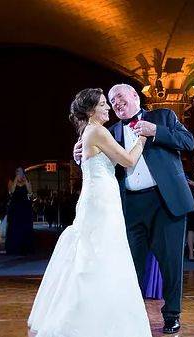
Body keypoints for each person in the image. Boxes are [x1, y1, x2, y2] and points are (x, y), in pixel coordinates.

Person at [28, 88, 152, 337]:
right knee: (102, 251)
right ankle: (94, 319)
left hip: (99, 196)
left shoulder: (90, 132)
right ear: (91, 110)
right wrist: (143, 139)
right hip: (101, 199)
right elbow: (128, 161)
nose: (108, 107)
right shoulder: (97, 130)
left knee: (96, 251)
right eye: (104, 103)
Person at [73, 83, 194, 334]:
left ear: (135, 97)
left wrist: (156, 131)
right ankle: (132, 317)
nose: (115, 103)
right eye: (111, 101)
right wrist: (81, 155)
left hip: (166, 203)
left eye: (118, 97)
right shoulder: (110, 131)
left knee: (171, 263)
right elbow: (102, 163)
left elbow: (188, 141)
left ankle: (172, 315)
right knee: (130, 265)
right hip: (129, 205)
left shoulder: (163, 116)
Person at [5, 167, 34, 255]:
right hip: (15, 207)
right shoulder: (11, 181)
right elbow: (11, 191)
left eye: (21, 171)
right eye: (18, 171)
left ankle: (25, 249)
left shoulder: (27, 181)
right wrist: (15, 180)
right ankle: (14, 248)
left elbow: (30, 193)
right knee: (14, 227)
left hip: (25, 207)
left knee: (25, 227)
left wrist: (26, 182)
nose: (20, 173)